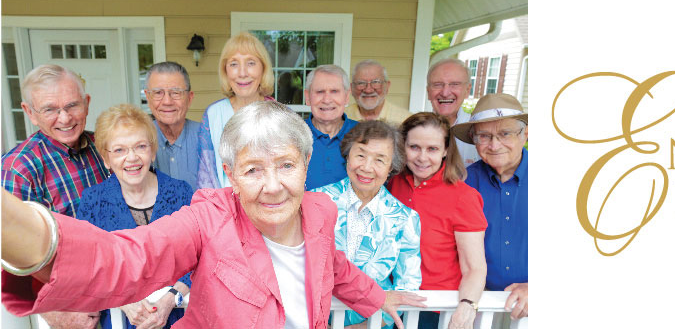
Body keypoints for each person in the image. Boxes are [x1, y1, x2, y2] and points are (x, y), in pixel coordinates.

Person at [1, 101, 426, 328]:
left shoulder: (320, 210)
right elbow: (124, 259)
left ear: (307, 162)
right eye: (253, 170)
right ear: (230, 175)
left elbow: (333, 264)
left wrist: (376, 295)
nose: (273, 185)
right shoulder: (208, 217)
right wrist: (13, 226)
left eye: (286, 165)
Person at [1, 64, 109, 328]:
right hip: (69, 303)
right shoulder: (19, 168)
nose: (65, 118)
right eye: (50, 109)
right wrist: (54, 312)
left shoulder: (103, 146)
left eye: (72, 105)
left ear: (86, 103)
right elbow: (11, 254)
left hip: (118, 286)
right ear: (30, 113)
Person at [75, 104, 193, 329]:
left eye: (140, 146)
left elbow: (201, 258)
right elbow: (86, 267)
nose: (132, 158)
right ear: (106, 159)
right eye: (119, 150)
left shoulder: (181, 193)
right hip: (124, 321)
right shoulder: (93, 201)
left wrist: (171, 299)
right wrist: (122, 300)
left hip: (181, 316)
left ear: (153, 150)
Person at [312, 120, 421, 328]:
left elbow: (407, 288)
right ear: (347, 156)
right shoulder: (316, 201)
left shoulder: (406, 219)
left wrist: (365, 327)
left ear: (392, 167)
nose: (367, 167)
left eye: (380, 160)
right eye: (360, 155)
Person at [388, 112, 487, 329]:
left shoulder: (464, 197)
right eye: (414, 147)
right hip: (390, 305)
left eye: (432, 149)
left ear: (445, 151)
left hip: (433, 310)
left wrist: (467, 306)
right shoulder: (392, 184)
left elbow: (474, 267)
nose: (422, 157)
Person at [453, 93, 529, 321]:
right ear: (474, 140)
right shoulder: (463, 183)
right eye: (484, 136)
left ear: (525, 134)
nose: (495, 145)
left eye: (505, 134)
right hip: (478, 305)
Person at [198, 32, 275, 189]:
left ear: (263, 68)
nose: (242, 73)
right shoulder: (213, 114)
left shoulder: (280, 115)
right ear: (225, 71)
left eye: (251, 63)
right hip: (223, 208)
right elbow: (206, 175)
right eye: (234, 64)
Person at [144, 61, 201, 191]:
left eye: (176, 92)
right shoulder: (138, 141)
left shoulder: (207, 137)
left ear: (190, 98)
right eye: (158, 93)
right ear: (148, 97)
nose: (167, 101)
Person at [304, 64, 359, 190]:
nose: (327, 100)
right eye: (319, 92)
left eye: (334, 91)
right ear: (307, 97)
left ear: (346, 96)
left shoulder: (364, 135)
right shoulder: (293, 135)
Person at [426, 58, 481, 166]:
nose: (445, 93)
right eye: (438, 84)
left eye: (454, 84)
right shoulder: (413, 131)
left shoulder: (480, 132)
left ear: (467, 90)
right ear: (428, 91)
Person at [345, 60, 411, 124]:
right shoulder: (340, 118)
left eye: (375, 82)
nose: (368, 90)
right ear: (352, 87)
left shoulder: (405, 120)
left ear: (387, 86)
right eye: (361, 83)